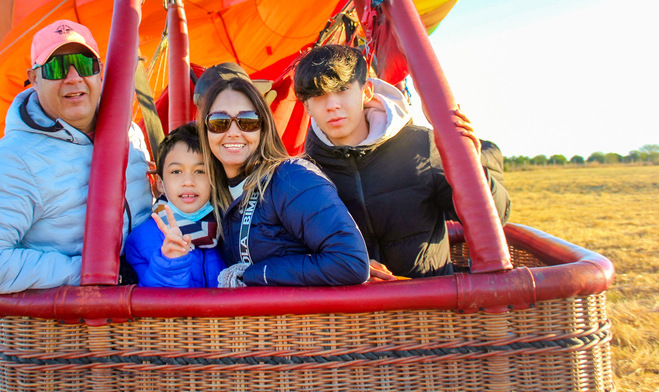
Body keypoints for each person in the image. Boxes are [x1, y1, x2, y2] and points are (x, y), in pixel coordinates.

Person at [0, 20, 153, 295]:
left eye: (85, 64)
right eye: (56, 67)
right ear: (34, 78)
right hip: (72, 322)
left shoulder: (130, 132)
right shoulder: (13, 159)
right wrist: (91, 273)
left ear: (100, 72)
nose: (73, 78)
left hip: (142, 304)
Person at [294, 44, 511, 279]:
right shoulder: (303, 174)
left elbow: (497, 216)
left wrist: (469, 164)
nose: (332, 105)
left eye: (343, 89)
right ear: (307, 106)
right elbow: (292, 251)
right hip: (356, 312)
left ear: (366, 92)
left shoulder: (422, 146)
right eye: (319, 95)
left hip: (432, 305)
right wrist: (347, 266)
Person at [196, 74, 370, 288]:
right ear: (205, 131)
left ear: (263, 127)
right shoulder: (211, 196)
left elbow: (350, 262)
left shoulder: (290, 178)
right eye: (219, 122)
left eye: (247, 121)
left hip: (306, 321)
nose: (233, 132)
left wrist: (251, 275)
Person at [125, 123, 224, 287]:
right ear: (160, 183)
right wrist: (170, 263)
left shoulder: (228, 227)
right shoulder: (140, 240)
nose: (188, 182)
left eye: (200, 171)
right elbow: (152, 305)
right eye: (176, 172)